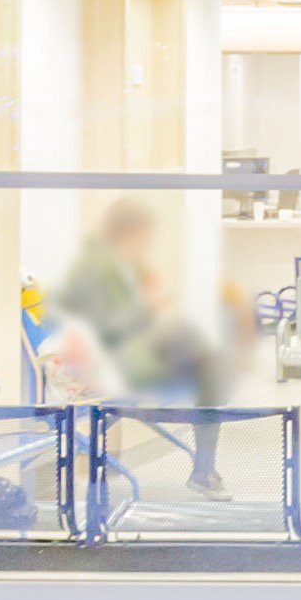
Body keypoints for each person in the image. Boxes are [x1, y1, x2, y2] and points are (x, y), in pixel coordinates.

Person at [59, 201, 234, 498]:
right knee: (210, 379)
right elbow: (106, 329)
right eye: (142, 238)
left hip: (129, 358)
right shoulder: (95, 271)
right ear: (125, 233)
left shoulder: (119, 268)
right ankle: (204, 471)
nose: (144, 245)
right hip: (112, 366)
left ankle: (204, 469)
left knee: (208, 367)